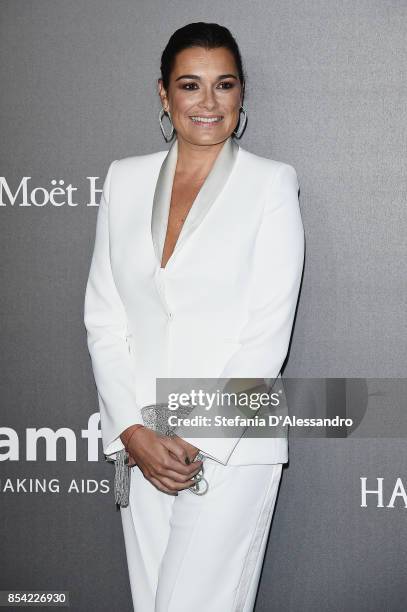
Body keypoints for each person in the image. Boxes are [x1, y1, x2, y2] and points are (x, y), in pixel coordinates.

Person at [84, 21, 305, 612]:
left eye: (224, 85)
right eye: (190, 85)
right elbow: (104, 318)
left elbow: (267, 329)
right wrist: (131, 431)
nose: (208, 102)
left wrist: (196, 435)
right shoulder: (123, 180)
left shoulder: (270, 185)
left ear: (241, 94)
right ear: (164, 94)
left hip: (229, 437)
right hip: (142, 437)